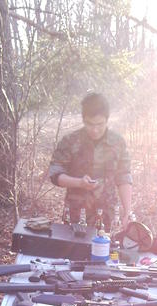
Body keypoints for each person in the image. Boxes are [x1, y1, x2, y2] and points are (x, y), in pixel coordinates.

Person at [48, 92, 132, 230]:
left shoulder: (118, 143)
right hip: (76, 214)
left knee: (105, 250)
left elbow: (124, 177)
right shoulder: (70, 141)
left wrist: (127, 210)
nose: (95, 130)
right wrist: (79, 183)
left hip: (107, 214)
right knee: (76, 251)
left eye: (100, 124)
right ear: (83, 119)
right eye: (89, 124)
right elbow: (55, 175)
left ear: (107, 120)